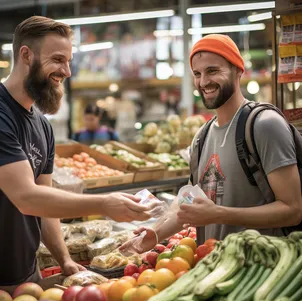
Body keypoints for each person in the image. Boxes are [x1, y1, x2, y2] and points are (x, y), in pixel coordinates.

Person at [0, 16, 151, 301]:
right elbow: (27, 198)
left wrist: (64, 260)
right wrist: (104, 203)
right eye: (58, 60)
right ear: (26, 55)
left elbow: (45, 202)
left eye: (68, 61)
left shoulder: (42, 125)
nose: (67, 71)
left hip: (27, 273)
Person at [120, 34, 302, 254]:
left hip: (263, 270)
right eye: (197, 74)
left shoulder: (264, 125)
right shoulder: (201, 136)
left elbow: (293, 209)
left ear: (238, 70)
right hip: (216, 267)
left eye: (213, 71)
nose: (204, 81)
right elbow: (189, 199)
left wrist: (218, 214)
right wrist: (156, 233)